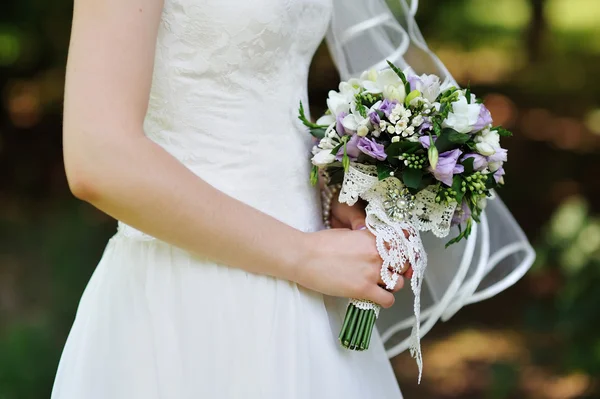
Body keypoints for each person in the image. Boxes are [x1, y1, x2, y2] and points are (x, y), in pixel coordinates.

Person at [51, 0, 534, 398]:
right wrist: (301, 255)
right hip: (192, 298)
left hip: (312, 295)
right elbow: (99, 156)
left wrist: (335, 190)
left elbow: (268, 95)